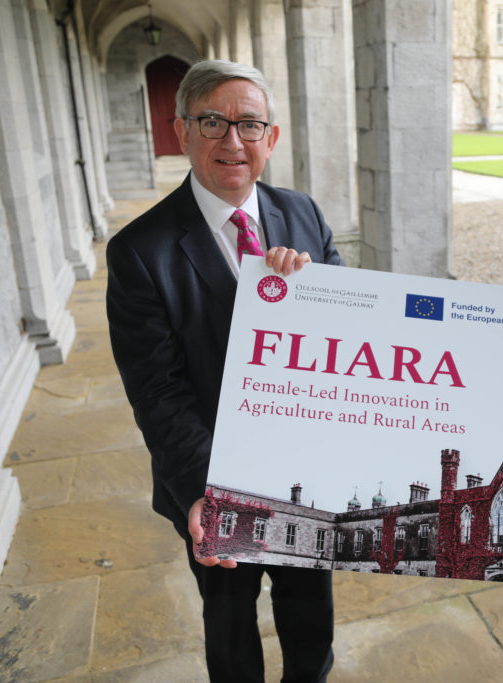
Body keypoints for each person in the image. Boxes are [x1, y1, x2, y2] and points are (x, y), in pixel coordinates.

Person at [106, 60, 342, 682]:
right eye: (212, 121)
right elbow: (156, 389)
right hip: (216, 484)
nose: (232, 142)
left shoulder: (303, 215)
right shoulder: (140, 251)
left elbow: (352, 336)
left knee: (311, 620)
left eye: (248, 124)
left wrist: (313, 292)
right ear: (180, 130)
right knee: (231, 632)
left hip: (303, 474)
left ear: (272, 137)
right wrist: (204, 490)